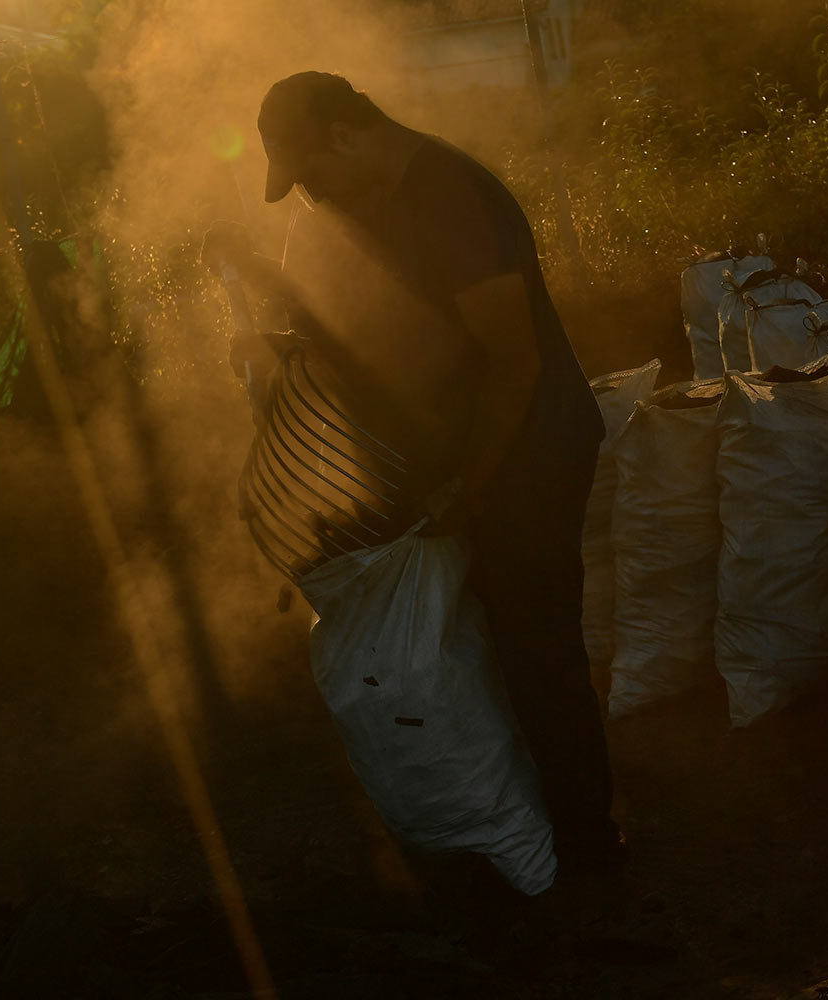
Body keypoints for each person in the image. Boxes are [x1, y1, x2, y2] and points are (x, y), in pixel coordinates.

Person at [204, 71, 623, 876]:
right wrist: (262, 306)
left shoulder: (450, 199)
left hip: (528, 449)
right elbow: (353, 330)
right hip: (452, 455)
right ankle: (511, 802)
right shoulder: (359, 204)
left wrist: (468, 490)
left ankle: (585, 838)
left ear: (346, 134)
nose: (309, 196)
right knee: (473, 637)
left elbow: (515, 362)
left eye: (311, 174)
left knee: (534, 644)